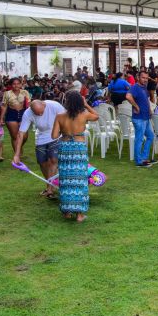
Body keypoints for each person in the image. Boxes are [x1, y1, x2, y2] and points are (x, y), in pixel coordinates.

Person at [52, 91, 99, 222]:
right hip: (78, 148)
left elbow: (54, 136)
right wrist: (86, 104)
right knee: (79, 180)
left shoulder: (60, 116)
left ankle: (66, 211)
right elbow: (96, 116)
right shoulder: (84, 114)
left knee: (66, 179)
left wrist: (65, 131)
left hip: (65, 148)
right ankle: (79, 214)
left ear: (67, 102)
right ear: (80, 102)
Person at [13, 98, 66, 197]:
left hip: (57, 136)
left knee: (53, 161)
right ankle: (50, 185)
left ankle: (50, 189)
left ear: (44, 105)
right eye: (37, 113)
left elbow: (67, 118)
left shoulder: (54, 105)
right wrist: (17, 154)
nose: (40, 115)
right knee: (42, 163)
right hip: (41, 138)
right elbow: (21, 134)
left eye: (41, 112)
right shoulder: (27, 113)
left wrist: (65, 134)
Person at [125, 71, 156, 167]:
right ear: (138, 77)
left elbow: (146, 100)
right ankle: (139, 161)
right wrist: (136, 106)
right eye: (143, 78)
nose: (145, 80)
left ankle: (144, 158)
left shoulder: (144, 88)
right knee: (139, 139)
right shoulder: (135, 87)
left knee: (150, 136)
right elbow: (128, 96)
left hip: (145, 117)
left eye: (146, 78)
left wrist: (150, 110)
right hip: (139, 118)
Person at [0, 77, 31, 160]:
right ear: (11, 85)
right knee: (15, 136)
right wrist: (1, 118)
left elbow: (28, 104)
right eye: (14, 84)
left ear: (21, 84)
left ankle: (19, 147)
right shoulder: (7, 93)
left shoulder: (25, 92)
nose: (16, 85)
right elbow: (4, 106)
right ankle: (18, 156)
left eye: (18, 83)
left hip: (23, 114)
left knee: (24, 136)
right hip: (11, 114)